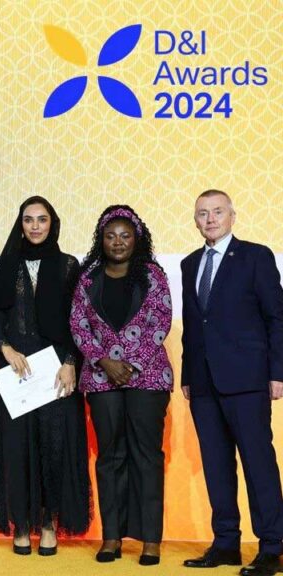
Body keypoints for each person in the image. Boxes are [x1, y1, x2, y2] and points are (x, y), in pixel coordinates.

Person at [0, 195, 92, 555]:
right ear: (20, 224)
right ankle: (20, 524)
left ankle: (47, 524)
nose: (35, 226)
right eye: (28, 220)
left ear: (52, 223)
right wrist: (5, 349)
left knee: (54, 447)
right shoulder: (7, 264)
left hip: (57, 370)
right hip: (16, 370)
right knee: (17, 448)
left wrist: (72, 361)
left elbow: (79, 319)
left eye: (42, 219)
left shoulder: (67, 265)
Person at [180, 190, 283, 576]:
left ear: (232, 216)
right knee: (216, 466)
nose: (210, 219)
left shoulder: (256, 257)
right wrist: (188, 374)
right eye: (202, 213)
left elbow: (277, 317)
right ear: (195, 220)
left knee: (258, 465)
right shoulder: (190, 264)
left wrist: (277, 372)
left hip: (248, 380)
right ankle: (225, 544)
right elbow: (194, 325)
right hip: (203, 383)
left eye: (217, 212)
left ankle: (272, 547)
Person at [69, 205, 172, 566]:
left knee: (147, 456)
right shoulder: (87, 278)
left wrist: (131, 364)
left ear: (136, 239)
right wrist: (104, 361)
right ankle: (111, 537)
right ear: (101, 239)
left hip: (148, 376)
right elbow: (79, 325)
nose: (117, 242)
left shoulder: (153, 276)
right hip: (101, 378)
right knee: (110, 456)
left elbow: (160, 321)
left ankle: (150, 540)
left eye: (125, 235)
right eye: (110, 236)